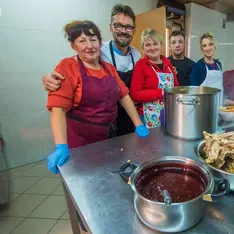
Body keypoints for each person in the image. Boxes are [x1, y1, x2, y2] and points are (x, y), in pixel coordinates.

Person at [46, 20, 148, 175]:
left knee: (106, 176)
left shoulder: (109, 69)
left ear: (100, 43)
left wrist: (138, 124)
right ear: (73, 46)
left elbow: (124, 96)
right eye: (82, 41)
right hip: (80, 141)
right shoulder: (68, 66)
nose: (89, 45)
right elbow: (57, 108)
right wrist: (61, 145)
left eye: (93, 40)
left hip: (107, 138)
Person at [42, 4, 140, 136]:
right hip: (91, 126)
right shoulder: (100, 49)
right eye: (118, 25)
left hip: (124, 116)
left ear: (133, 30)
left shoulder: (136, 54)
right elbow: (75, 63)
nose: (123, 30)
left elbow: (125, 93)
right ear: (111, 27)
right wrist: (49, 78)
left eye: (128, 27)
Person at [130, 29, 179, 129]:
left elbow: (177, 89)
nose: (152, 48)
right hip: (147, 118)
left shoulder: (169, 65)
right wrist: (161, 93)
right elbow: (135, 94)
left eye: (155, 44)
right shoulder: (140, 65)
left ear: (161, 45)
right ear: (142, 48)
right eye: (148, 45)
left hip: (168, 115)